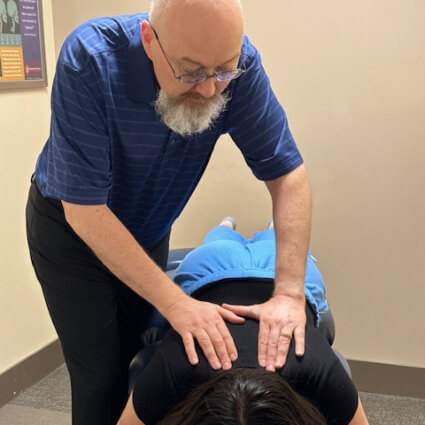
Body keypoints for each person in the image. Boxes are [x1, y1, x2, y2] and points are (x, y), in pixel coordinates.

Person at [26, 1, 313, 424]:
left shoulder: (238, 66)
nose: (209, 89)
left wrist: (288, 294)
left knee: (143, 354)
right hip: (72, 231)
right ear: (148, 40)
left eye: (222, 71)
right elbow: (86, 211)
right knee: (100, 377)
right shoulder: (89, 60)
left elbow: (289, 176)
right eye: (191, 72)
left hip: (149, 226)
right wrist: (178, 304)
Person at [117, 218, 369, 425]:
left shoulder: (321, 370)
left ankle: (240, 228)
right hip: (211, 270)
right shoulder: (175, 367)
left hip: (224, 266)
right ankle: (233, 228)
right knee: (225, 240)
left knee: (232, 241)